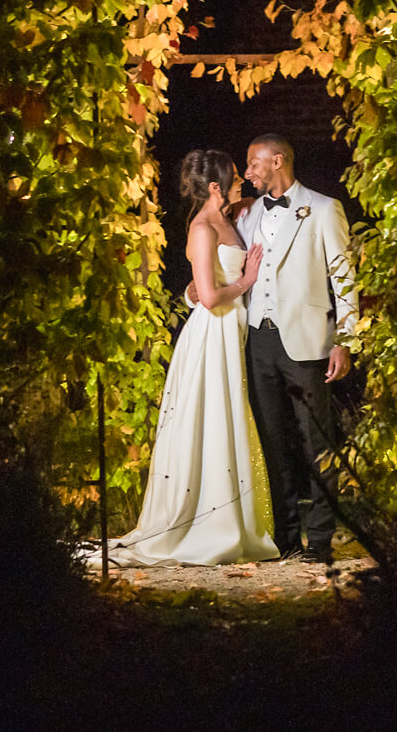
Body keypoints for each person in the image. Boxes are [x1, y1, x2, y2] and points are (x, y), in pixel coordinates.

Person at [107, 149, 279, 566]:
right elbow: (211, 296)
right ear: (216, 186)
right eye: (235, 176)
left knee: (232, 415)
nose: (242, 181)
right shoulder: (202, 227)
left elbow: (197, 286)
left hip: (233, 329)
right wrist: (247, 281)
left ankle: (236, 517)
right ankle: (209, 522)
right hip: (214, 333)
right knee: (215, 416)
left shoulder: (230, 217)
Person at [236, 133, 356, 566]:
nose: (247, 171)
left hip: (307, 342)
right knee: (271, 440)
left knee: (316, 442)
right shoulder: (248, 214)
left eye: (253, 162)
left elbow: (343, 277)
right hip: (259, 340)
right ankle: (284, 538)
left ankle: (320, 539)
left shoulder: (323, 208)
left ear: (278, 160)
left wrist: (346, 338)